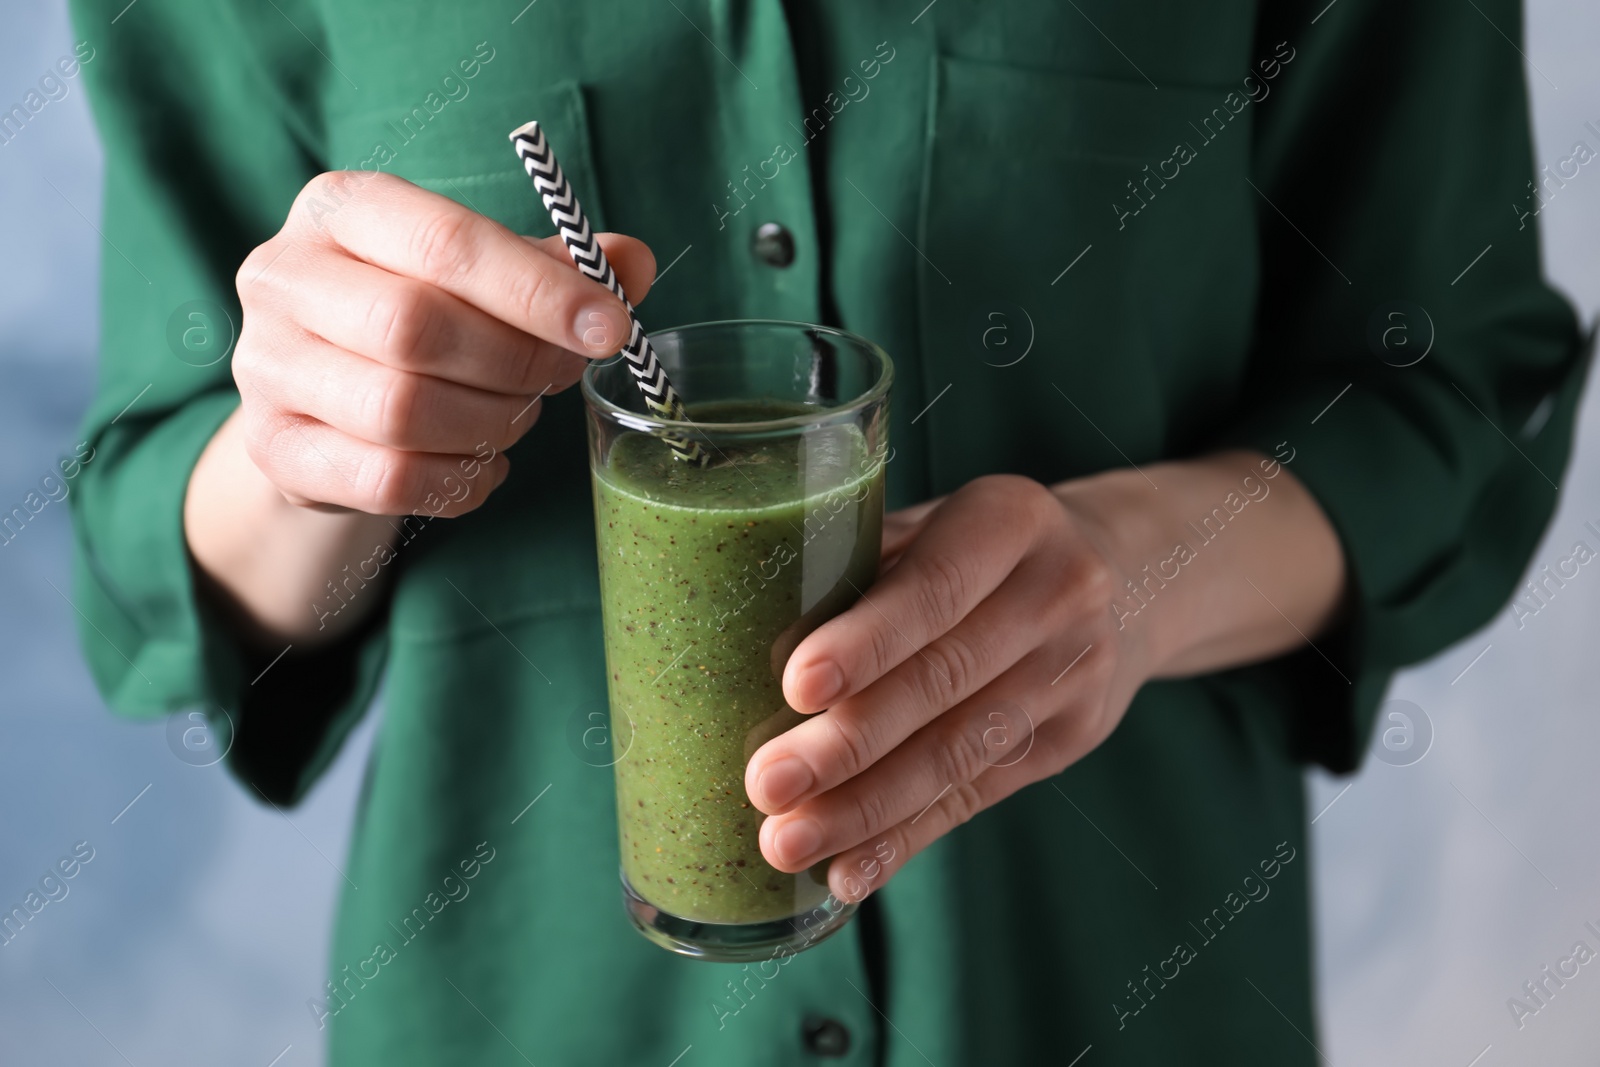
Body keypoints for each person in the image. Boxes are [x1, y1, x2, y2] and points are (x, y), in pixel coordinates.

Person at [68, 0, 1586, 1062]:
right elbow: (150, 551)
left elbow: (1450, 393)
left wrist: (1137, 576)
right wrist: (301, 452)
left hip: (1112, 1000)